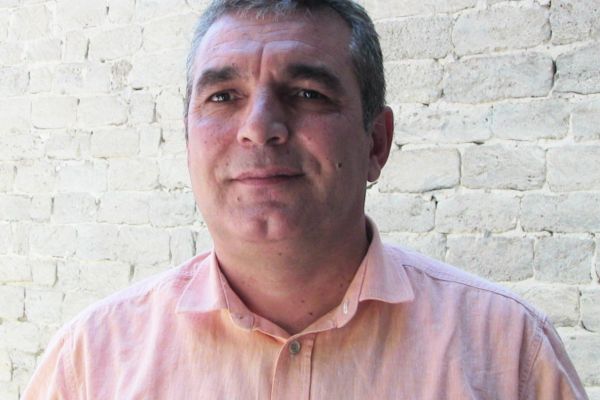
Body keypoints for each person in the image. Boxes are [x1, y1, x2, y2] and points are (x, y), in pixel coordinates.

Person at [23, 0, 588, 399]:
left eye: (307, 93)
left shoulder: (508, 353)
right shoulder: (91, 363)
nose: (259, 128)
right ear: (187, 141)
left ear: (376, 142)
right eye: (223, 96)